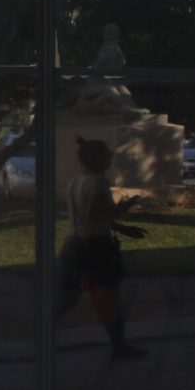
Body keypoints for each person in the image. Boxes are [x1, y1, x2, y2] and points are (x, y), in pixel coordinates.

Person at [55, 139, 145, 358]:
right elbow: (96, 214)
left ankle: (41, 331)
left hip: (73, 243)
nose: (110, 159)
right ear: (98, 159)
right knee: (109, 296)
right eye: (107, 156)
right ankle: (119, 345)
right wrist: (123, 207)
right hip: (96, 247)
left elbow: (87, 216)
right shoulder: (98, 183)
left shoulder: (76, 181)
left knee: (67, 297)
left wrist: (121, 228)